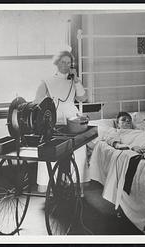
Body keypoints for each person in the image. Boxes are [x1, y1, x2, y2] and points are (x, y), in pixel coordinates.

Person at [34, 49, 89, 193]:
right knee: (50, 149)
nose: (65, 65)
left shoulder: (74, 80)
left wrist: (76, 80)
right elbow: (37, 101)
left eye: (69, 62)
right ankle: (48, 186)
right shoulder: (47, 80)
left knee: (79, 150)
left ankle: (78, 185)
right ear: (57, 63)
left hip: (72, 116)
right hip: (53, 116)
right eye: (63, 62)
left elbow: (83, 98)